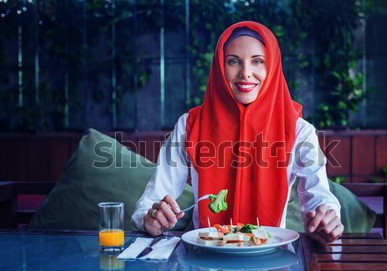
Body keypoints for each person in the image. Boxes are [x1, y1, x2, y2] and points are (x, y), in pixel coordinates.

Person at [132, 21, 343, 245]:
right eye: (233, 61)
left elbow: (318, 197)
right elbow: (151, 202)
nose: (246, 73)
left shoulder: (299, 131)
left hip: (269, 258)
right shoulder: (189, 126)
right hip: (205, 259)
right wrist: (150, 218)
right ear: (220, 67)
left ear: (272, 67)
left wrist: (326, 216)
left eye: (258, 61)